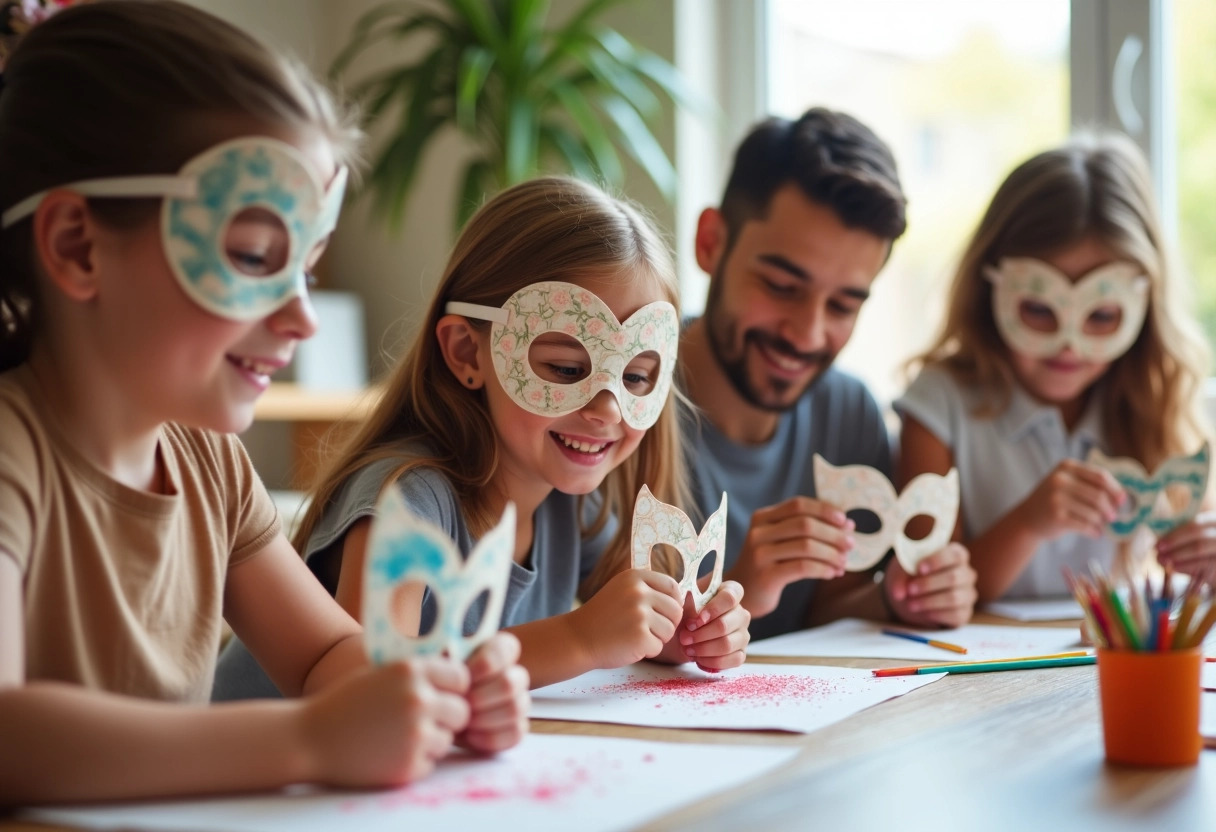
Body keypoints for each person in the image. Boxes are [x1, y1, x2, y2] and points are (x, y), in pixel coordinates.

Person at [0, 0, 527, 806]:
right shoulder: (13, 455)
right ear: (77, 247)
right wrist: (311, 739)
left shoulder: (211, 462)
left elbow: (324, 657)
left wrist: (428, 693)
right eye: (253, 256)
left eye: (307, 269)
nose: (303, 317)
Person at [214, 176, 751, 696]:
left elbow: (624, 621)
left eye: (636, 376)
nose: (607, 408)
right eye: (565, 369)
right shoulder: (406, 499)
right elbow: (375, 683)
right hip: (248, 781)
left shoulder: (571, 507)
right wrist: (578, 638)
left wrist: (678, 631)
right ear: (468, 353)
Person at [678, 107, 978, 641]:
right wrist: (741, 586)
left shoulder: (850, 414)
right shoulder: (618, 404)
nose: (807, 334)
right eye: (781, 287)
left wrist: (897, 596)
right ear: (710, 244)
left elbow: (826, 610)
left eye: (842, 306)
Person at [896, 133, 1214, 602]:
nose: (1070, 345)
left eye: (1102, 316)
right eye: (1039, 309)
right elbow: (931, 590)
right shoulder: (939, 404)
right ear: (992, 289)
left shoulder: (1155, 403)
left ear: (1144, 306)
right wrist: (1029, 522)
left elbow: (1189, 570)